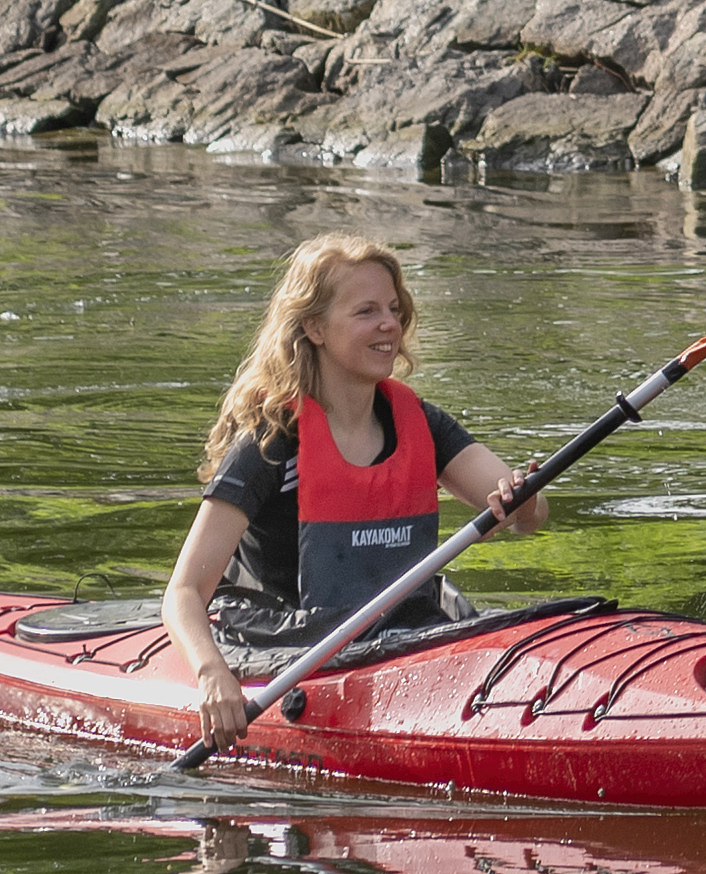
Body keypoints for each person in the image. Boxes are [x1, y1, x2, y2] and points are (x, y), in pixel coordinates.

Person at [165, 235, 546, 746]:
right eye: (366, 311)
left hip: (404, 638)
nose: (390, 324)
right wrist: (212, 673)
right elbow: (184, 593)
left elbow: (530, 513)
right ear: (315, 327)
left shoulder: (421, 423)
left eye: (393, 308)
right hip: (288, 648)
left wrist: (521, 502)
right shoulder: (271, 444)